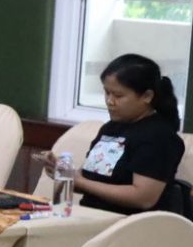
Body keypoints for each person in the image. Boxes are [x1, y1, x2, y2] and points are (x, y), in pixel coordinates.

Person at [61, 53, 188, 215]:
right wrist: (63, 171)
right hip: (89, 215)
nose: (109, 101)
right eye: (107, 93)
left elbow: (143, 198)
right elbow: (86, 179)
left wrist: (81, 182)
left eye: (118, 95)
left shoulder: (159, 136)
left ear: (147, 96)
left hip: (128, 224)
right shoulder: (110, 129)